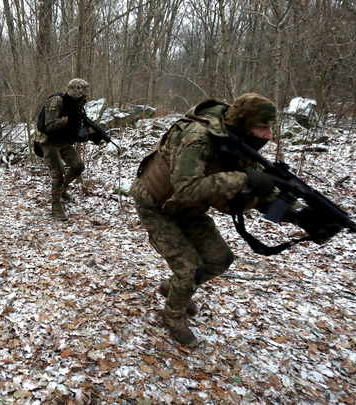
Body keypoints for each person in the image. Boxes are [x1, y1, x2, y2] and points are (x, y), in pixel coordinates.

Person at [130, 93, 337, 346]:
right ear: (244, 123)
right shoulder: (197, 138)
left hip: (187, 208)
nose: (268, 135)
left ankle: (173, 289)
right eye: (262, 127)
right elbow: (186, 190)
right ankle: (172, 316)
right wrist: (244, 180)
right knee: (189, 269)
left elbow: (258, 193)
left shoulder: (235, 141)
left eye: (270, 127)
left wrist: (296, 216)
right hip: (156, 205)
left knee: (220, 259)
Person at [33, 78, 101, 221]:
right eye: (77, 88)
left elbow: (76, 128)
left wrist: (90, 134)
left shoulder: (78, 104)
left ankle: (62, 190)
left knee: (78, 166)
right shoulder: (57, 101)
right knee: (58, 173)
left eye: (83, 89)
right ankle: (55, 205)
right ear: (70, 89)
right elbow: (49, 126)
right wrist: (68, 120)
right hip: (47, 141)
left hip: (62, 141)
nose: (80, 91)